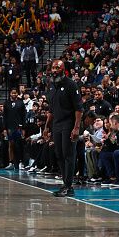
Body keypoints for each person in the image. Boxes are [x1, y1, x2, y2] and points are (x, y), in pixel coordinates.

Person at [43, 59, 83, 197]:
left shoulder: (71, 84)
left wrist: (76, 128)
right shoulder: (52, 86)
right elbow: (51, 109)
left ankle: (69, 186)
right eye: (53, 68)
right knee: (59, 155)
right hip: (57, 124)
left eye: (57, 68)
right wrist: (46, 127)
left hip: (69, 123)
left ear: (63, 69)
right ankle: (65, 183)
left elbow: (79, 109)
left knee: (68, 154)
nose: (54, 70)